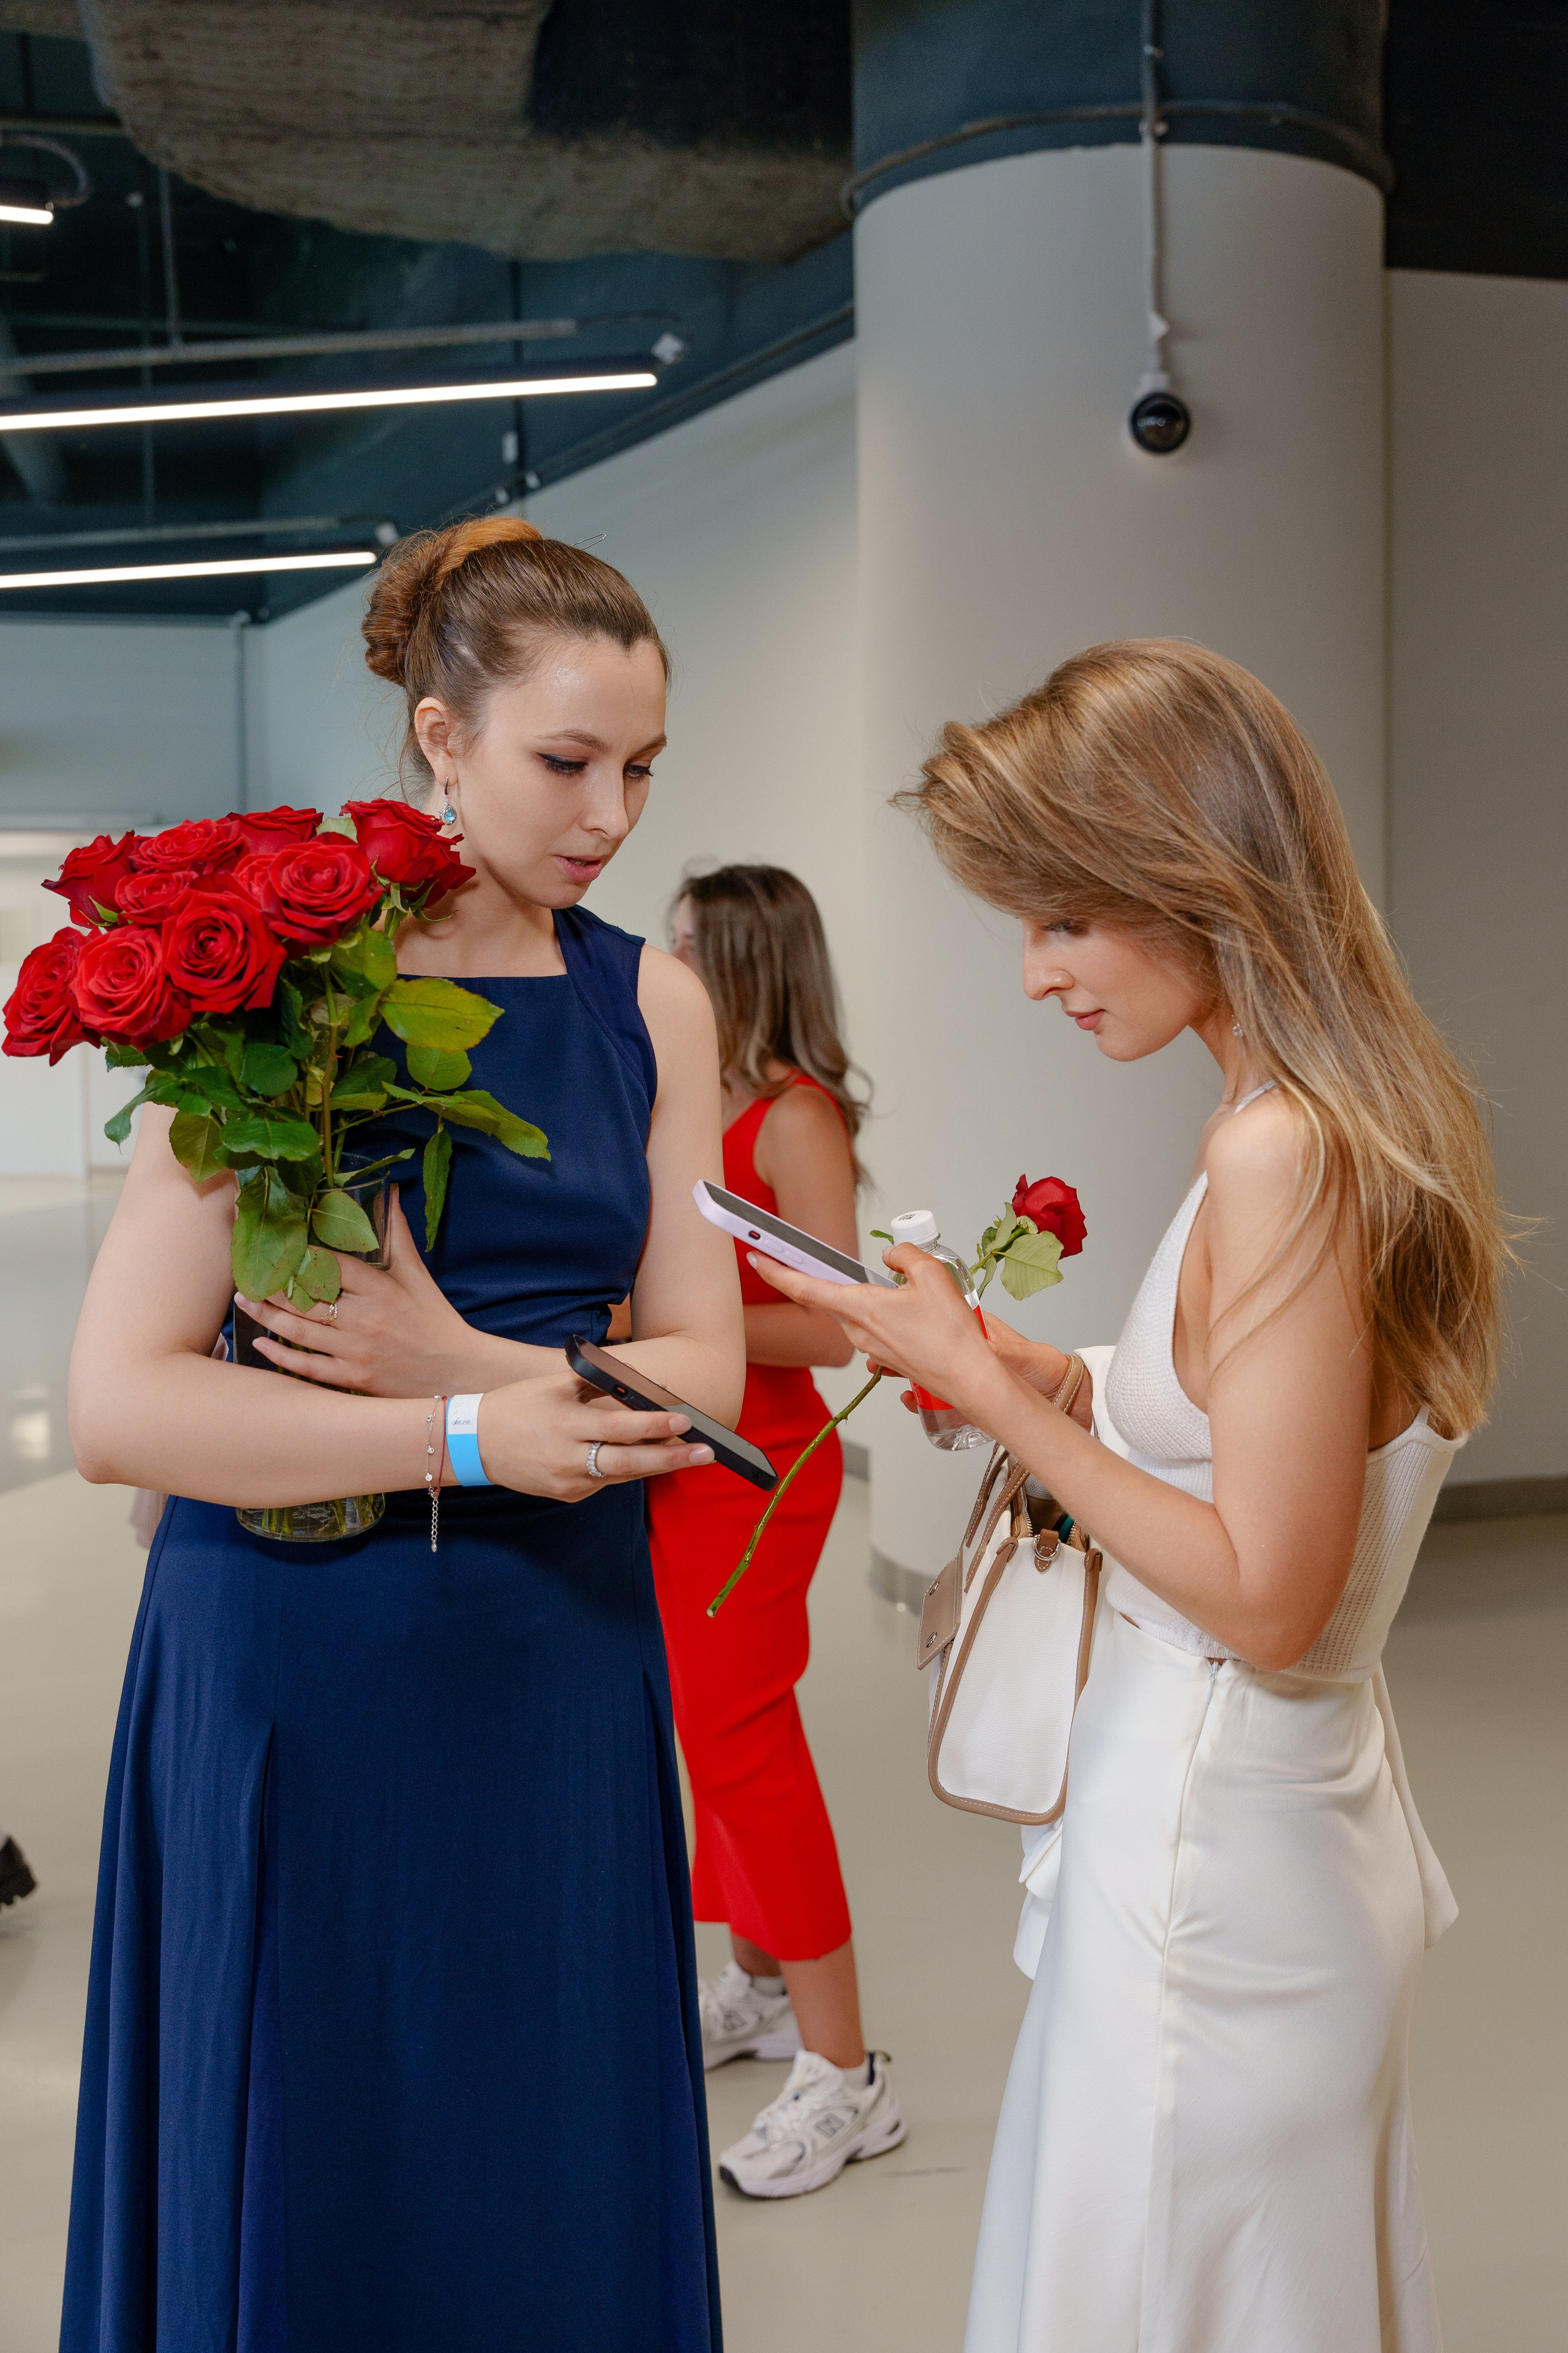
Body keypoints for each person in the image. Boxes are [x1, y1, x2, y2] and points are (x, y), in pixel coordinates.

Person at [755, 640, 1508, 2351]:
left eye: (1065, 920)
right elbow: (1278, 1433)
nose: (1037, 973)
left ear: (1198, 874)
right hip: (1269, 1826)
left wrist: (984, 1400)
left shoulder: (1277, 1149)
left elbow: (1269, 1593)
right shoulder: (1322, 1110)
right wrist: (1066, 1380)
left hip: (1213, 1858)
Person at [61, 515, 743, 2353]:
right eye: (567, 761)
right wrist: (463, 1428)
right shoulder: (277, 983)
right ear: (442, 736)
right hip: (297, 1650)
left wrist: (458, 1362)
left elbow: (707, 1370)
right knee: (314, 2141)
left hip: (555, 1659)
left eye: (642, 769)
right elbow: (121, 1403)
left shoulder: (651, 1000)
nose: (610, 814)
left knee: (539, 2147)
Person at [649, 866, 905, 2199]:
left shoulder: (796, 1117)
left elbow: (836, 1326)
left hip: (757, 1466)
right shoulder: (695, 1098)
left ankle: (847, 2073)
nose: (667, 959)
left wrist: (664, 1321)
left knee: (744, 1742)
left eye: (689, 943)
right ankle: (754, 1983)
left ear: (747, 959)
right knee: (708, 1736)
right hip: (678, 1449)